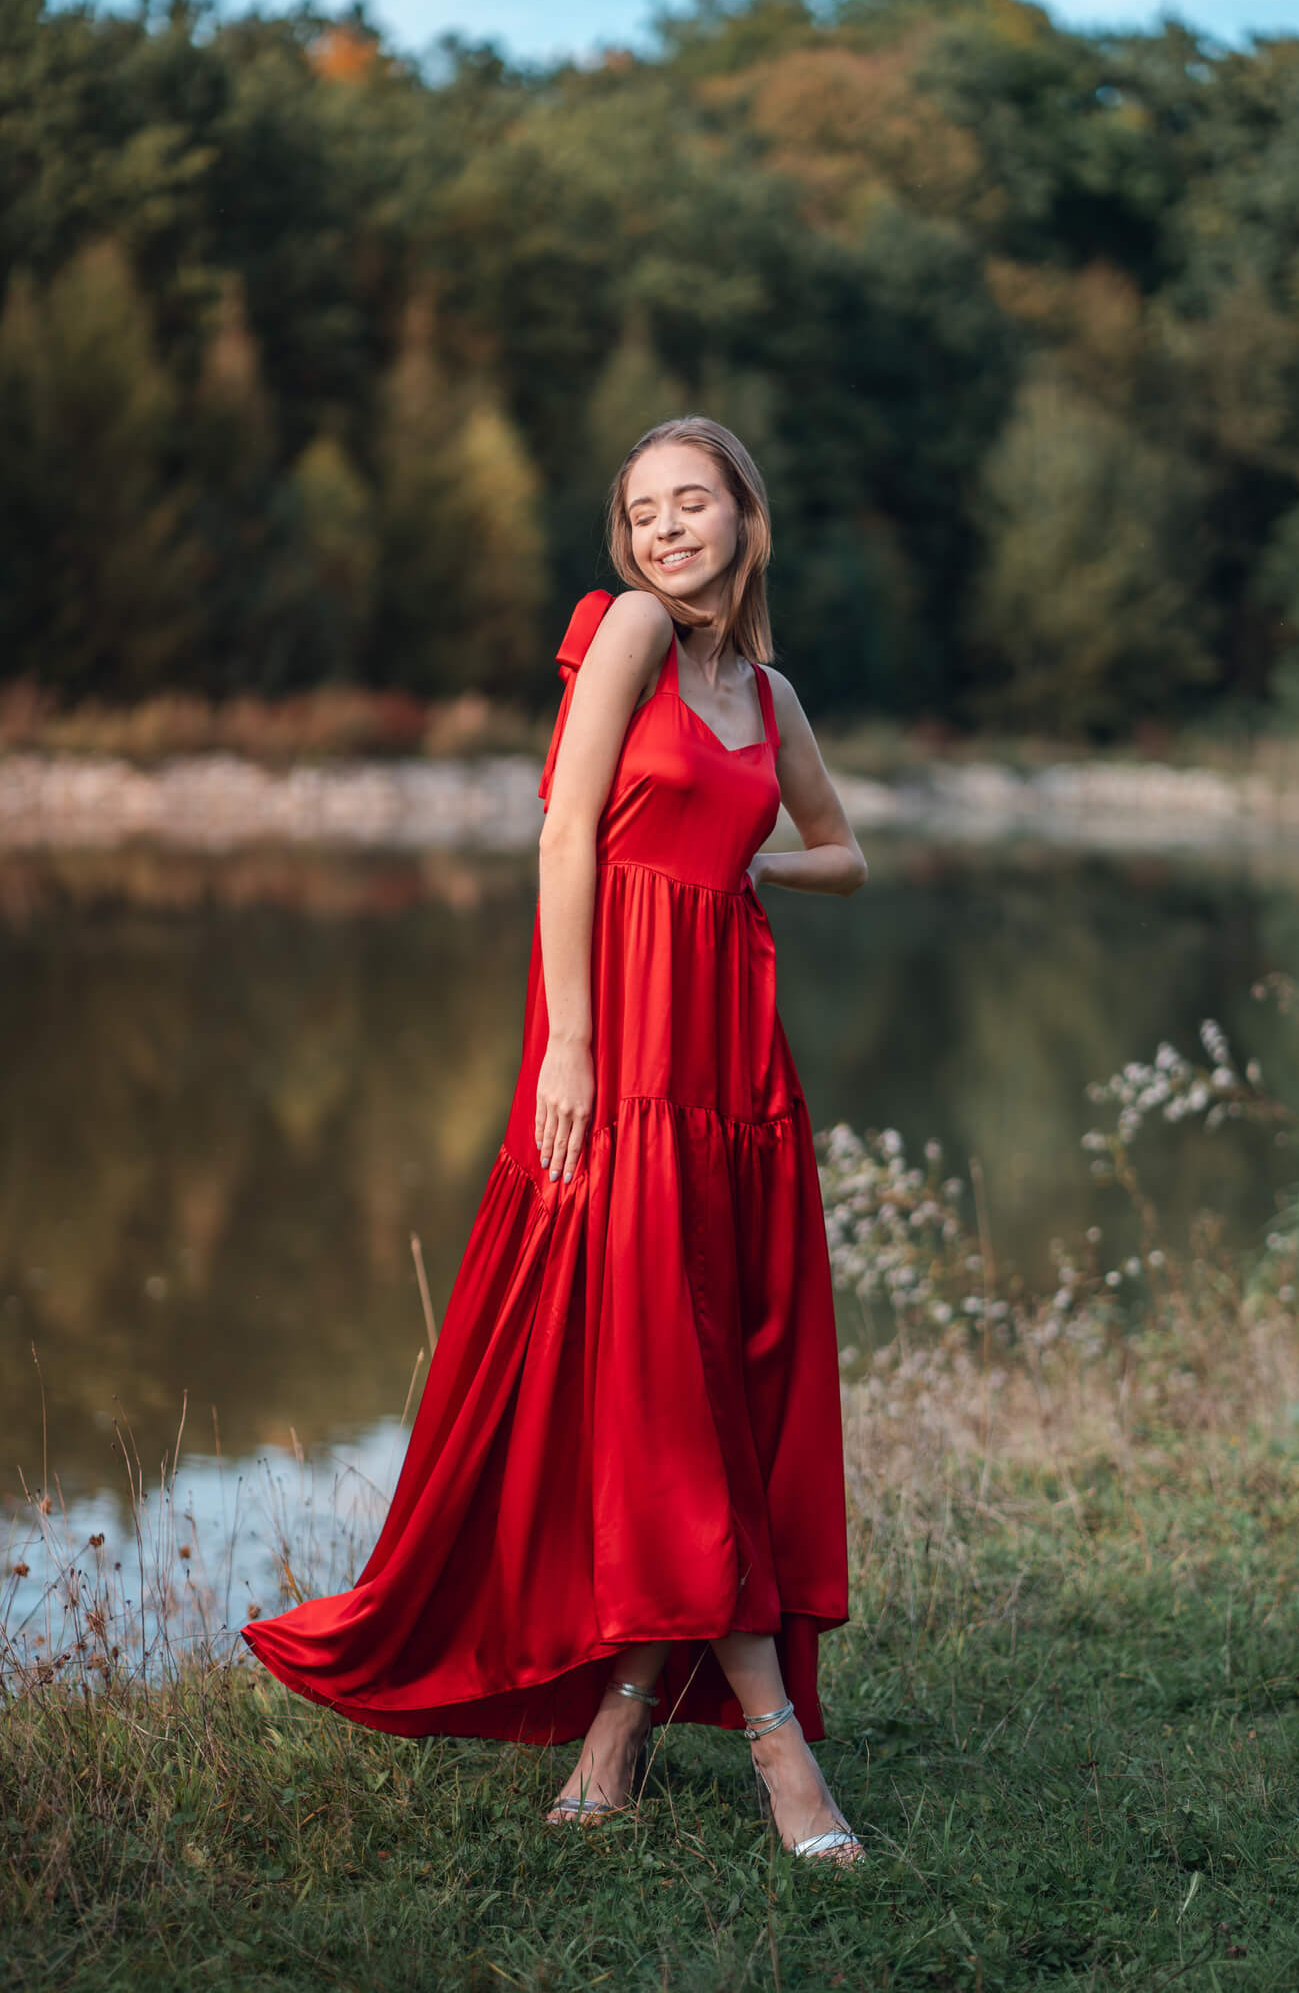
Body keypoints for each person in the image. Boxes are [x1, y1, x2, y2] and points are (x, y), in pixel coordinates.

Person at [242, 416, 869, 1863]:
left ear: (746, 520)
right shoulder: (631, 629)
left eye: (691, 502)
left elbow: (841, 852)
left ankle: (618, 1720)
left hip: (732, 1067)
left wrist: (742, 854)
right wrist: (571, 1046)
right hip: (623, 1048)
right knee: (657, 1378)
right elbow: (565, 834)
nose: (662, 529)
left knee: (717, 1378)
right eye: (641, 508)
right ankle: (782, 1758)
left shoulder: (770, 697)